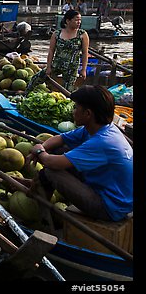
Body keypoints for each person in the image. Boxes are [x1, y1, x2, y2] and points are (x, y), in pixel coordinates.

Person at [25, 85, 132, 222]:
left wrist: (39, 151)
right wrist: (42, 147)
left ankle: (41, 214)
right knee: (59, 150)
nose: (73, 111)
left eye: (76, 107)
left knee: (50, 171)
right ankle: (39, 190)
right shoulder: (98, 128)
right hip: (106, 191)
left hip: (110, 207)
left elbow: (52, 163)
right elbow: (61, 138)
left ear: (87, 114)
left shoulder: (102, 141)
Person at [45, 9, 89, 92]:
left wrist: (83, 70)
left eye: (80, 20)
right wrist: (48, 67)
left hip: (71, 68)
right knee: (37, 79)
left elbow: (85, 53)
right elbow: (51, 51)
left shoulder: (82, 34)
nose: (79, 22)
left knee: (68, 90)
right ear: (68, 21)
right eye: (76, 20)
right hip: (57, 64)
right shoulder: (57, 34)